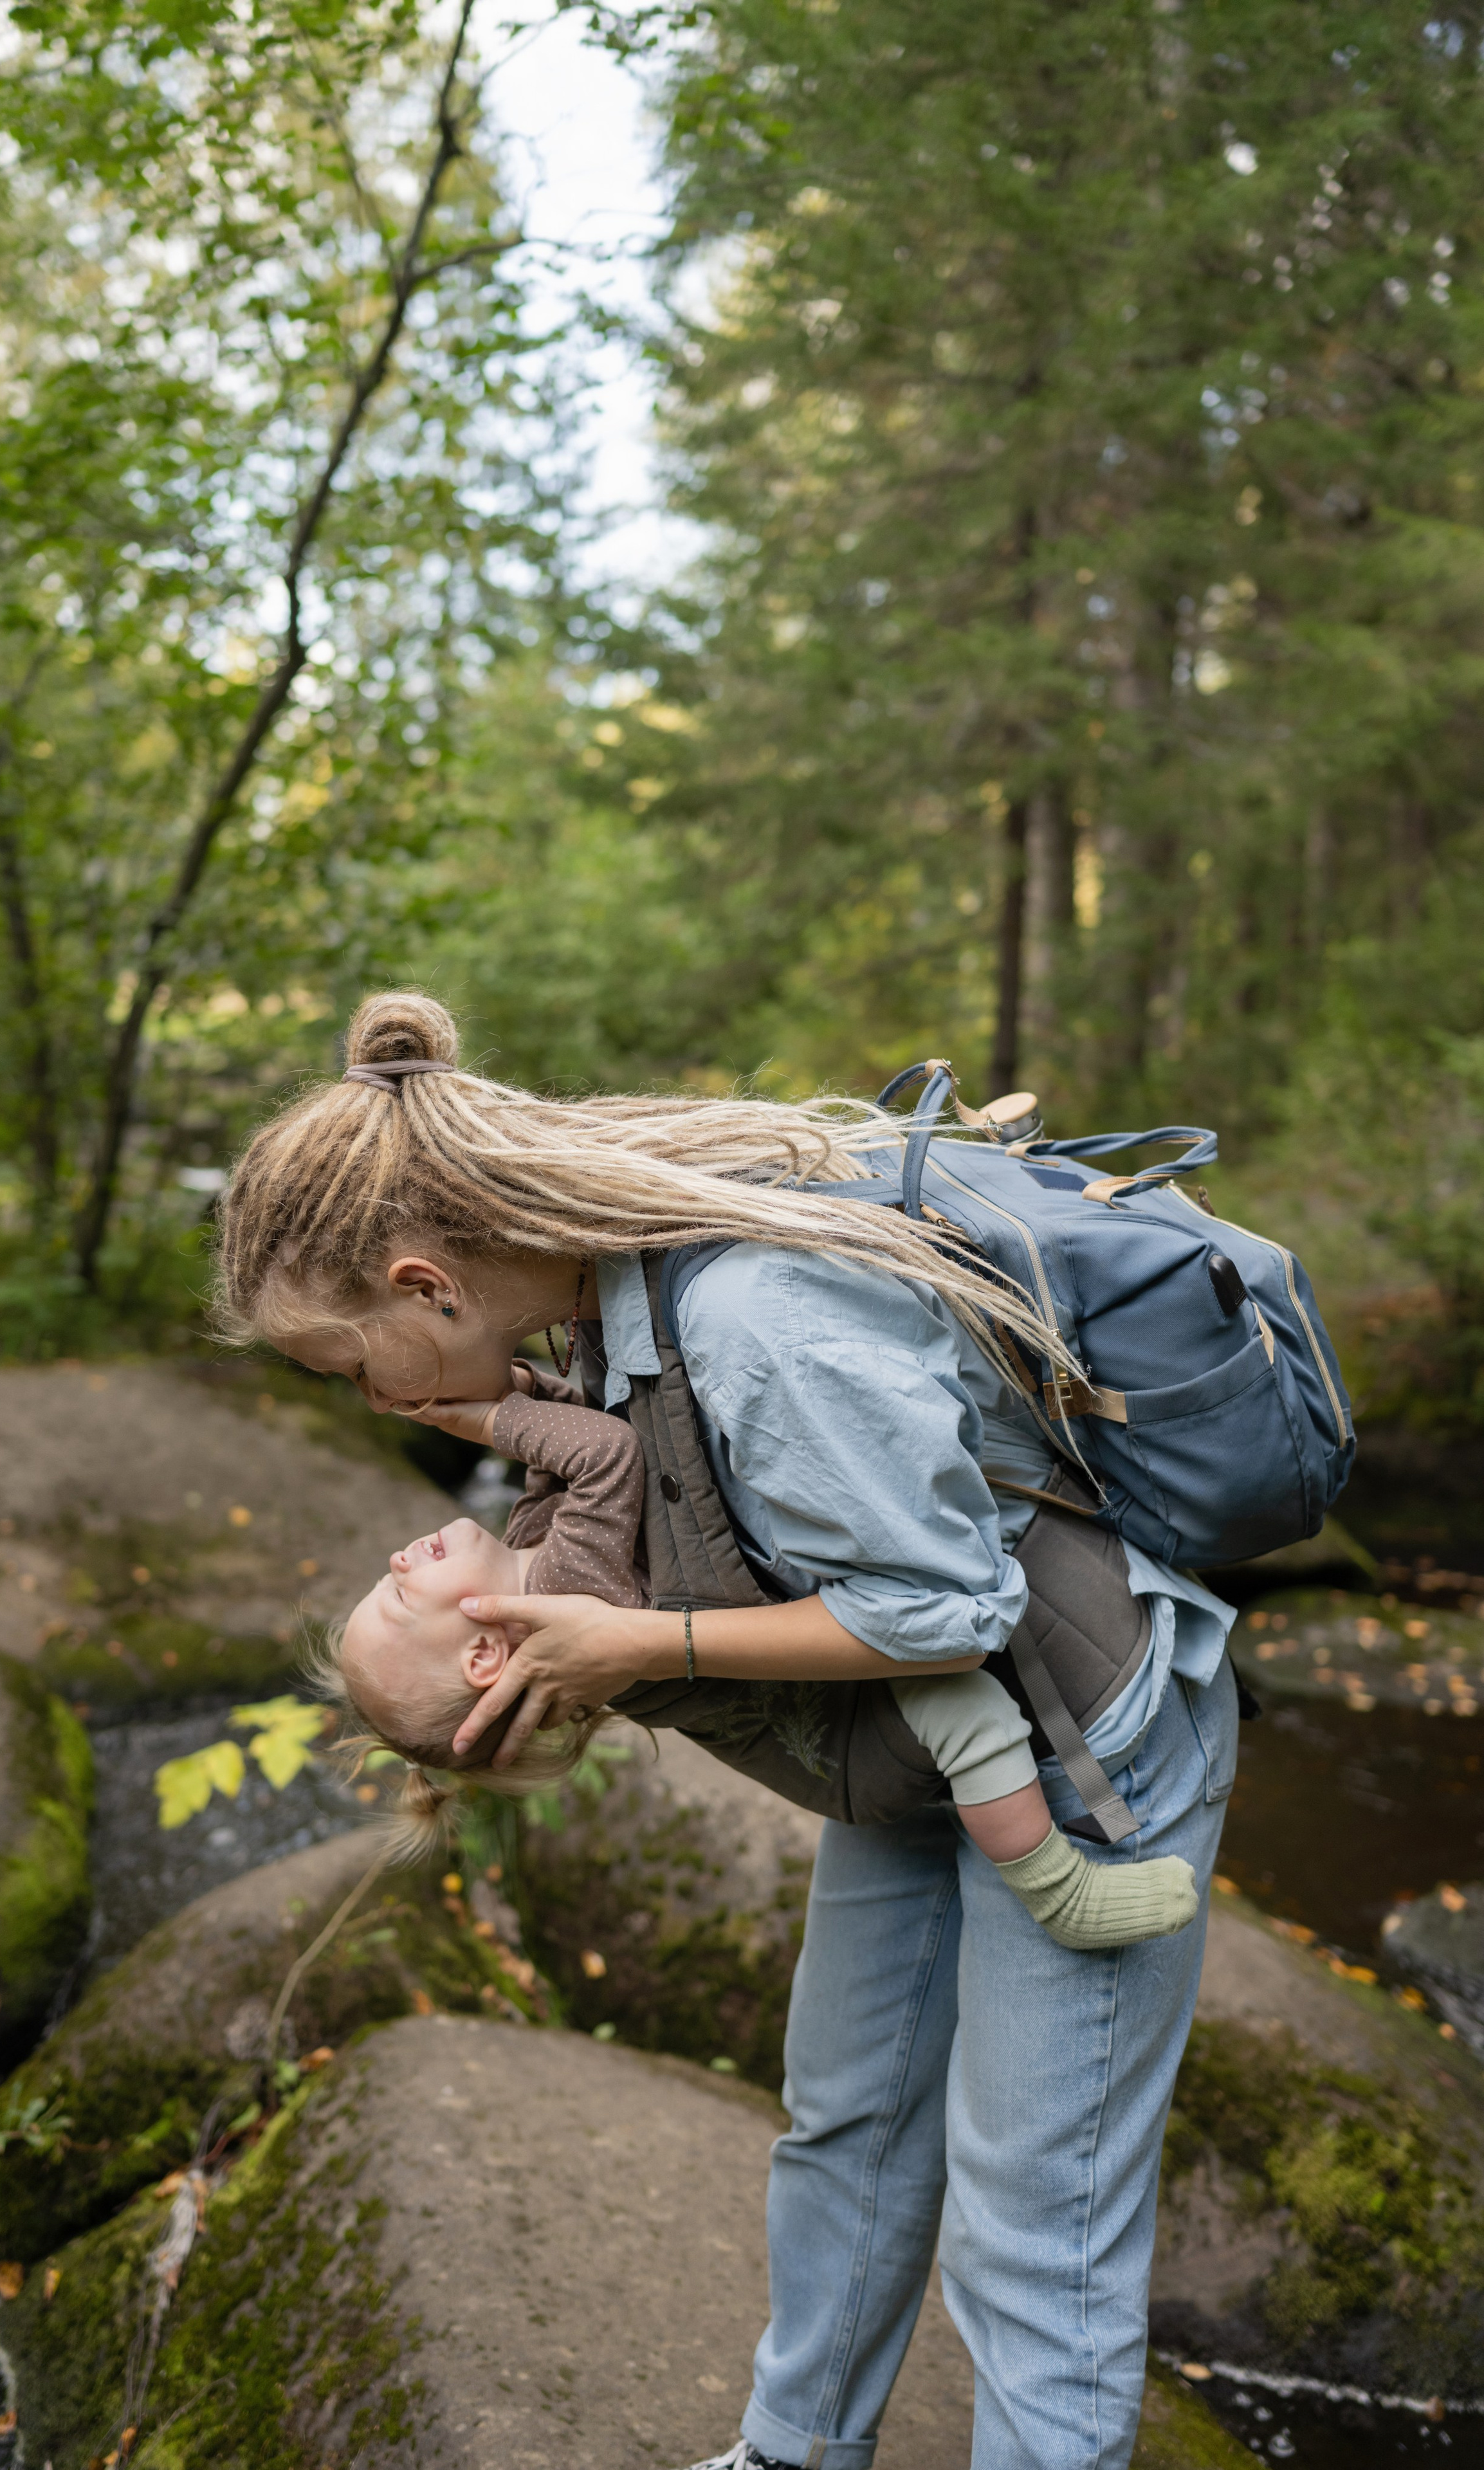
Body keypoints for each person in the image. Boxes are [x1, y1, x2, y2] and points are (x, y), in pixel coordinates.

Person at [217, 989, 1238, 2470]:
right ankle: (791, 2452)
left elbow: (948, 1612)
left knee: (1035, 2219)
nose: (372, 1401)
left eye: (347, 1366)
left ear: (425, 1284)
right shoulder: (598, 1315)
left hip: (1087, 1736)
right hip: (897, 1750)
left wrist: (640, 1646)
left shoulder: (753, 1318)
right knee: (845, 2122)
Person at [320, 1369, 1200, 1952]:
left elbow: (566, 1445)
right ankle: (1056, 1889)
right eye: (397, 1594)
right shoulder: (563, 1591)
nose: (396, 1560)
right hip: (855, 1728)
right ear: (485, 1655)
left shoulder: (535, 1561)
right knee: (966, 1710)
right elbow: (604, 1454)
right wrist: (492, 1418)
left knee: (957, 1700)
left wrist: (521, 1390)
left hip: (821, 1700)